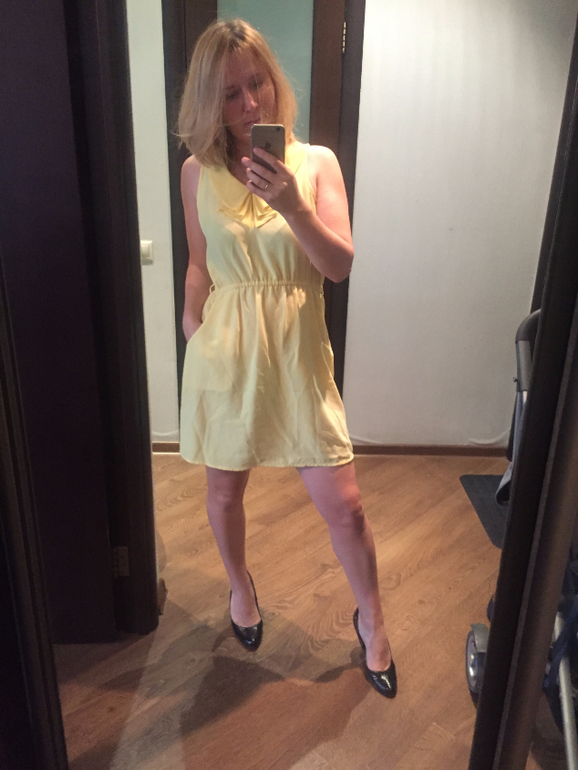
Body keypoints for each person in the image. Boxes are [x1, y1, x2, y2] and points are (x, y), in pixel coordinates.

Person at [177, 18, 396, 698]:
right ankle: (240, 589)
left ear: (275, 81)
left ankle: (372, 619)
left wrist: (294, 205)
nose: (250, 104)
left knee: (346, 506)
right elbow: (199, 265)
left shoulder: (316, 163)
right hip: (225, 356)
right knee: (224, 492)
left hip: (298, 356)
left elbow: (337, 266)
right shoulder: (196, 173)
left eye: (258, 83)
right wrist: (191, 323)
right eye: (230, 93)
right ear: (209, 103)